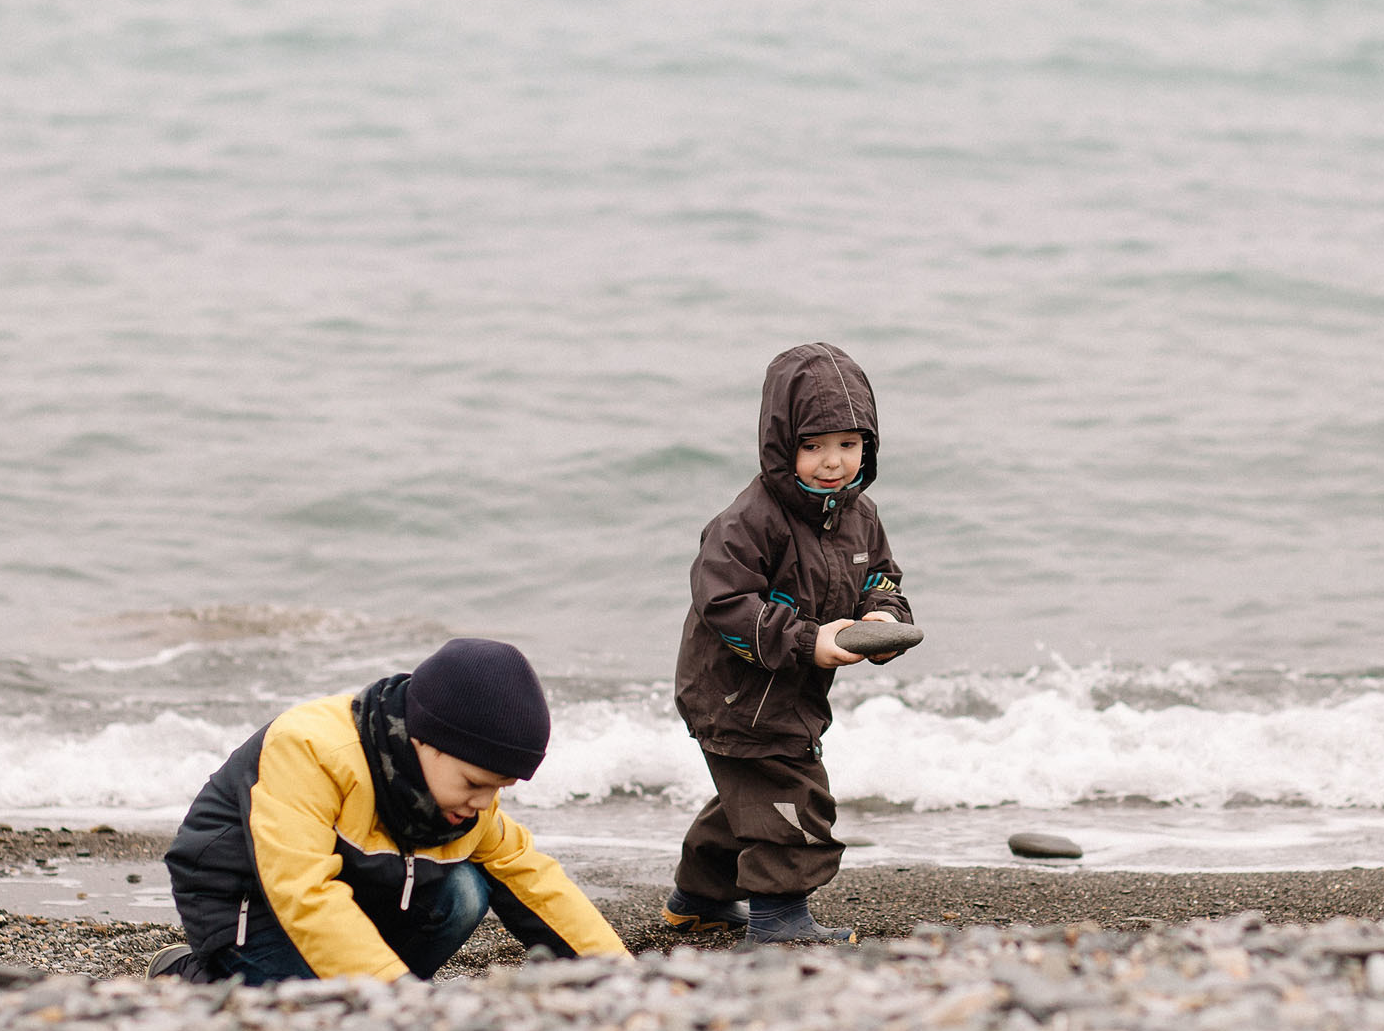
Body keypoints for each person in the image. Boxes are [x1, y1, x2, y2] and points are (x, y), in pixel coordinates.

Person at [150, 637, 628, 984]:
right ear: (425, 741)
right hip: (245, 894)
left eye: (500, 788)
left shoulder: (462, 798)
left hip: (353, 881)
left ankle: (372, 980)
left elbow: (534, 880)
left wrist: (618, 973)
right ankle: (186, 974)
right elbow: (302, 891)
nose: (485, 803)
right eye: (475, 784)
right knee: (300, 1017)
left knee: (463, 891)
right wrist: (390, 991)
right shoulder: (312, 748)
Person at [664, 342, 914, 945]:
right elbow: (723, 603)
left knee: (742, 803)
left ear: (868, 446)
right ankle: (779, 919)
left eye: (848, 445)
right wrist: (807, 642)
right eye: (813, 446)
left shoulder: (860, 515)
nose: (833, 462)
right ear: (782, 445)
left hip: (789, 694)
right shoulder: (750, 520)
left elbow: (880, 575)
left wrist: (881, 614)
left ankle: (697, 899)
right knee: (792, 796)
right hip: (734, 693)